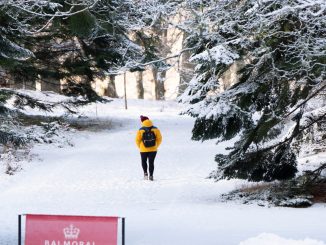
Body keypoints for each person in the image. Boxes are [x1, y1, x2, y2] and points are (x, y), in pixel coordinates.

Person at [135, 115, 162, 181]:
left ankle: (145, 174)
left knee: (143, 161)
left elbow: (137, 140)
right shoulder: (156, 129)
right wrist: (156, 145)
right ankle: (151, 176)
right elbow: (159, 139)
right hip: (153, 149)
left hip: (143, 150)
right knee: (151, 162)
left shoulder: (140, 130)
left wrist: (140, 147)